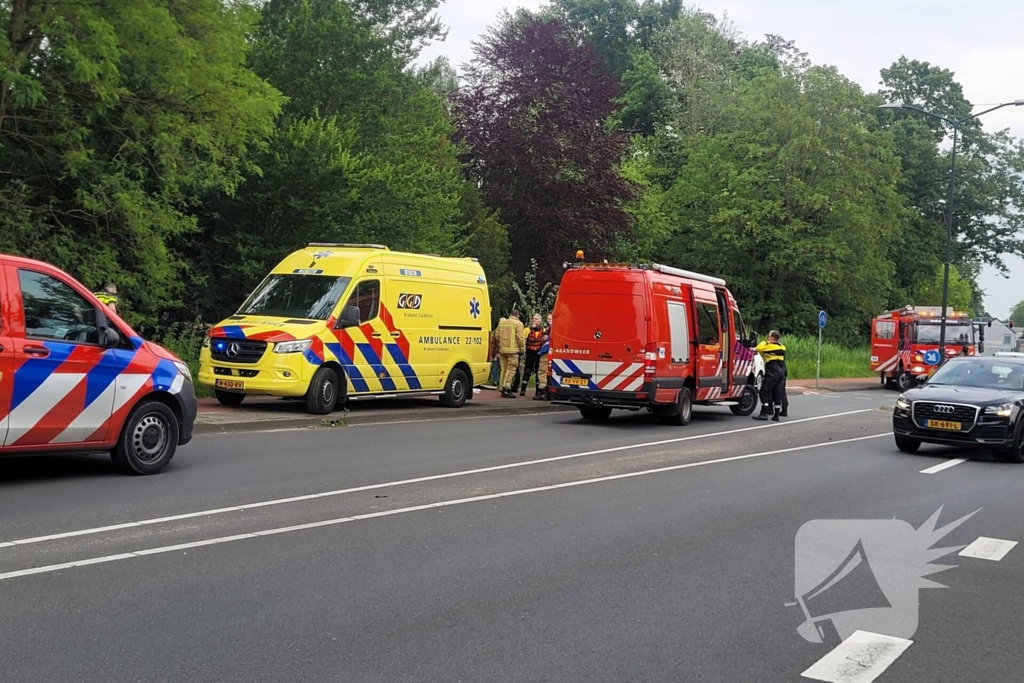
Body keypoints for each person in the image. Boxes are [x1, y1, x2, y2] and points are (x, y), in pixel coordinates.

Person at [753, 330, 787, 421]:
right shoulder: (782, 347)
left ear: (772, 337)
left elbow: (758, 348)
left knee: (764, 391)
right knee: (777, 392)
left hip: (773, 369)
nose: (767, 338)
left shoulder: (770, 346)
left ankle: (764, 413)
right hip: (781, 369)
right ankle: (776, 414)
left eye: (769, 336)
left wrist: (765, 342)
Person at [494, 308, 525, 398]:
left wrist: (502, 344)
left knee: (503, 369)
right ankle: (507, 388)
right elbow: (520, 338)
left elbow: (496, 335)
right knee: (511, 370)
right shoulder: (518, 324)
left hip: (503, 350)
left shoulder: (502, 323)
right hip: (513, 351)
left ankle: (501, 387)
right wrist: (522, 349)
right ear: (518, 315)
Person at [520, 314, 545, 396]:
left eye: (536, 319)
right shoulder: (528, 329)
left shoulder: (543, 331)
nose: (534, 320)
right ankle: (523, 389)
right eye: (533, 319)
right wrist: (530, 328)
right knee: (527, 370)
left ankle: (538, 391)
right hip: (530, 352)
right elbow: (523, 336)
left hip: (538, 353)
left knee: (538, 371)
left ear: (540, 321)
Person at [534, 313, 552, 400]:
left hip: (546, 352)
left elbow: (544, 339)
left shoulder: (549, 328)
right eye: (547, 318)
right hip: (552, 352)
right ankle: (547, 392)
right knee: (548, 372)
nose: (548, 320)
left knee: (542, 371)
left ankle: (543, 392)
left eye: (550, 319)